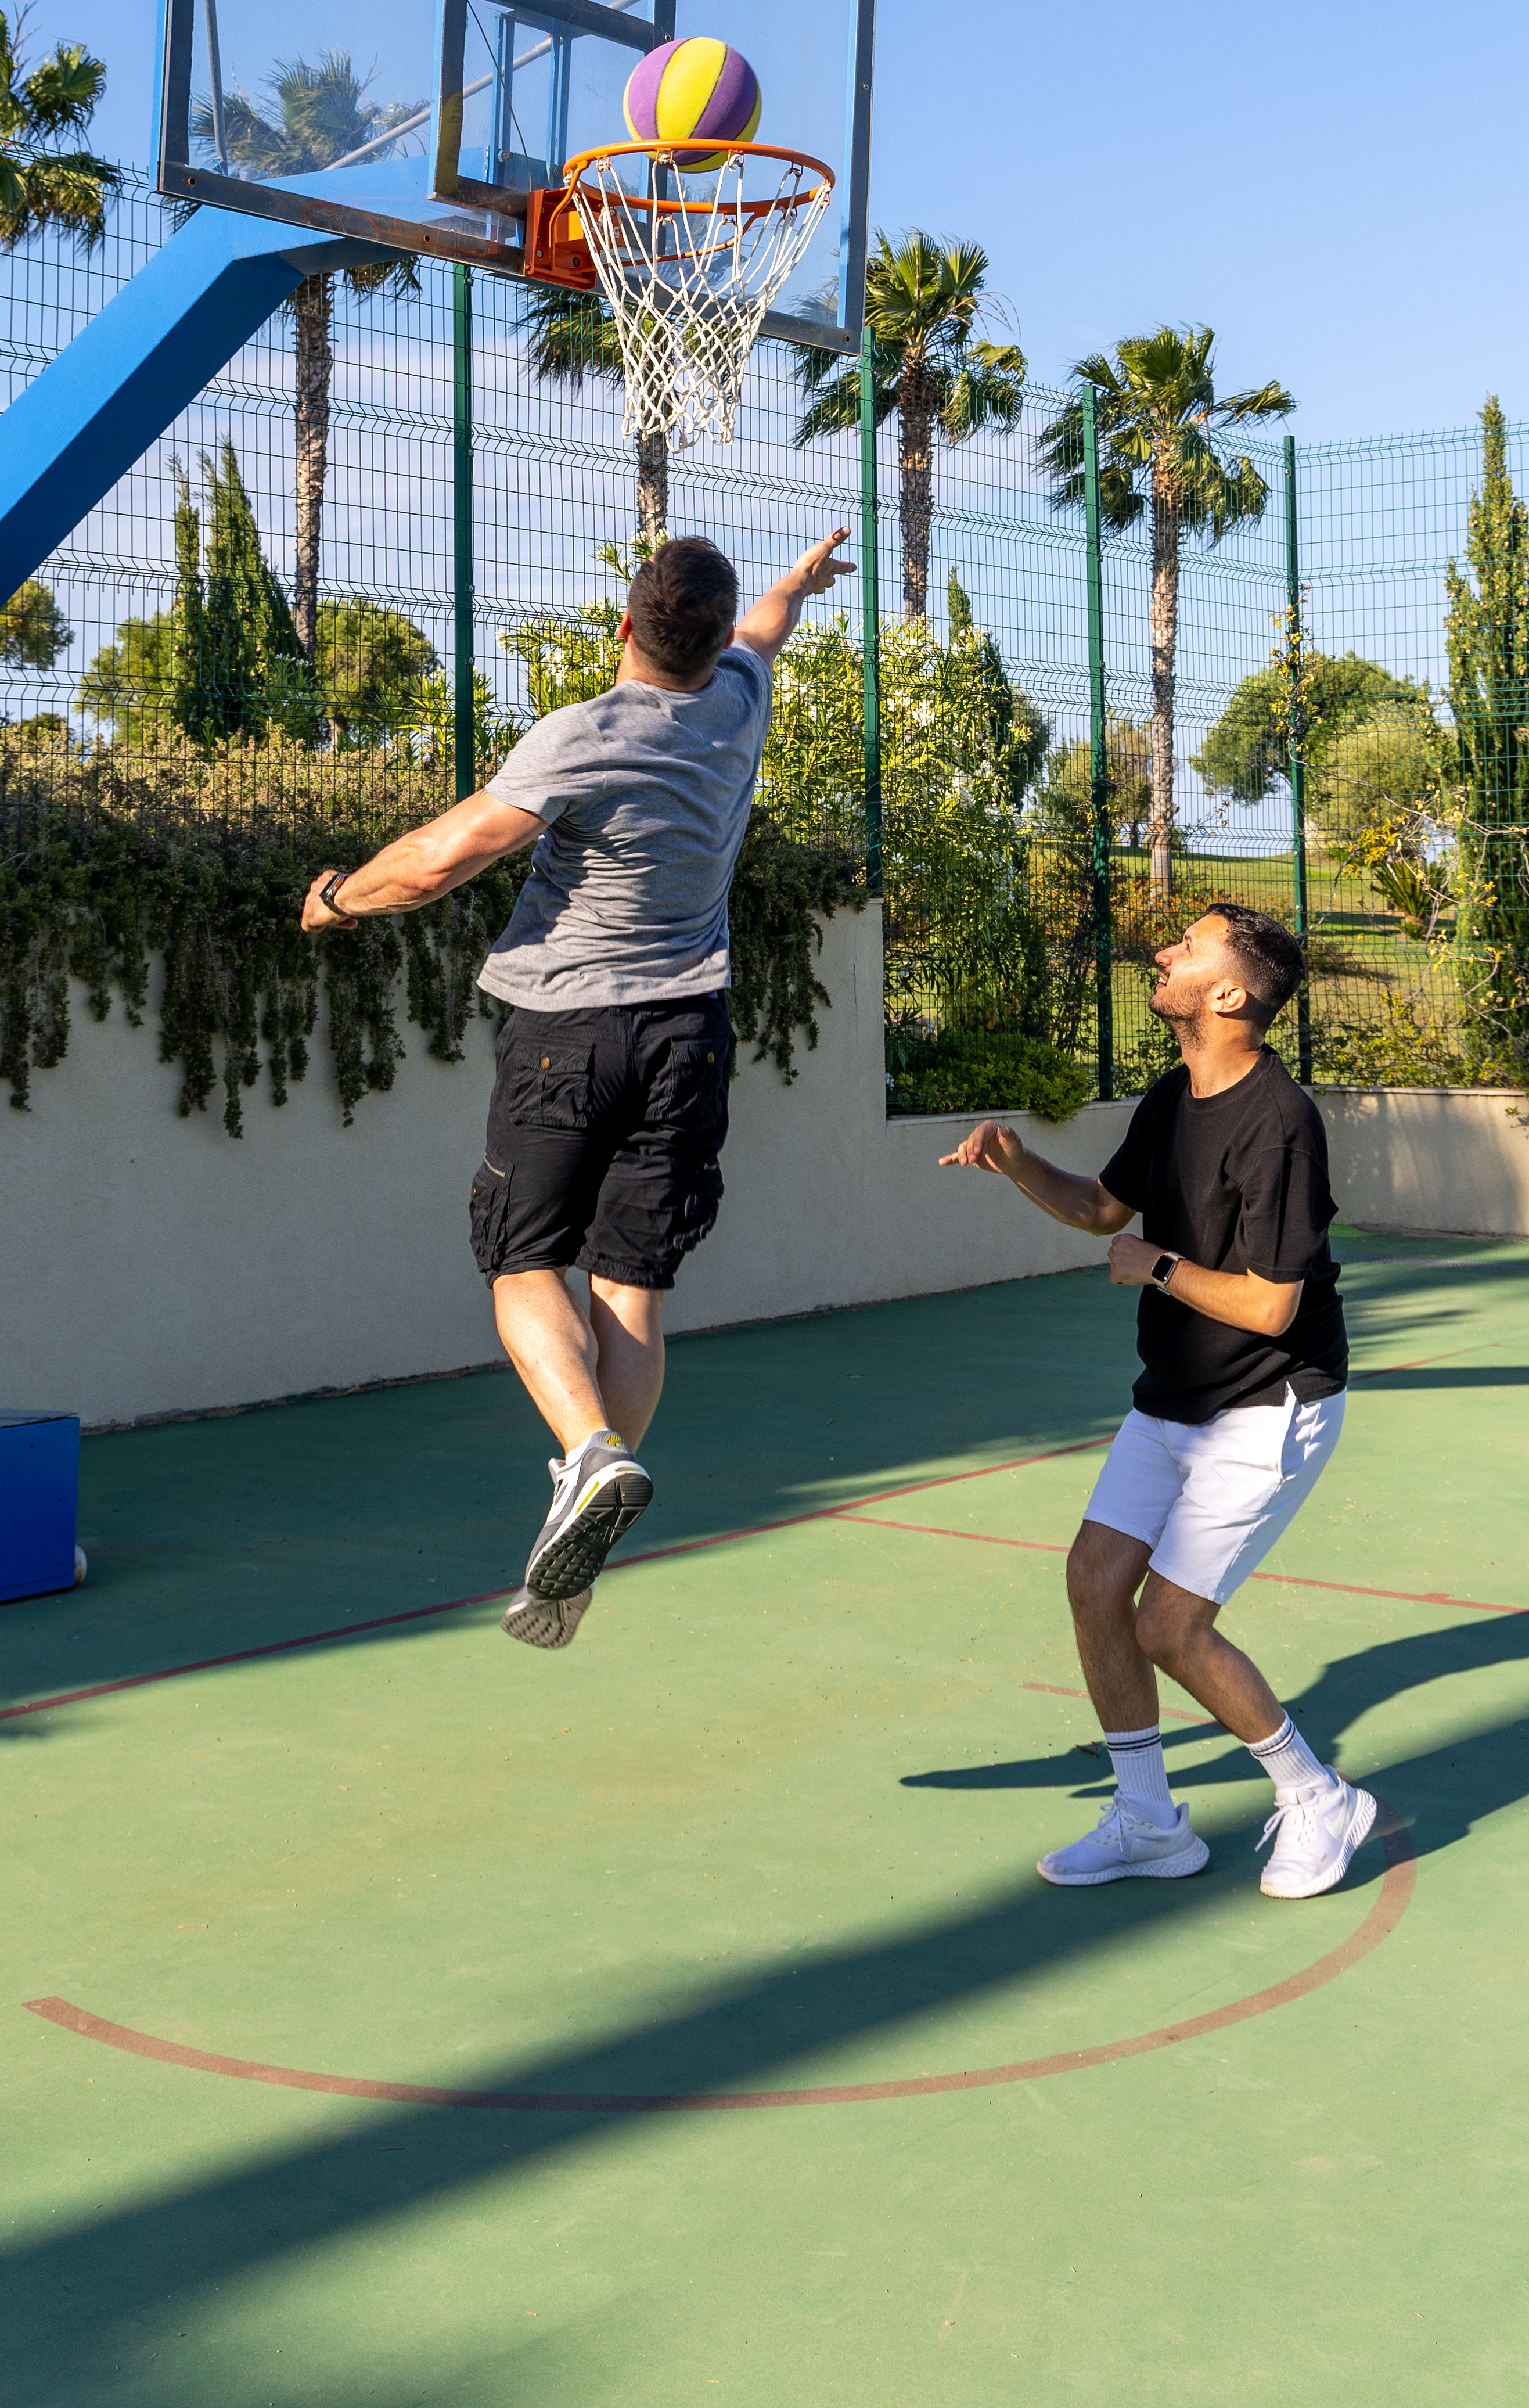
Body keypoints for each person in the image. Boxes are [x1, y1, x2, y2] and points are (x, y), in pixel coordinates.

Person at [303, 528, 851, 1651]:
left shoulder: (584, 737)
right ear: (710, 642)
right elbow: (760, 634)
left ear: (622, 628)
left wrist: (338, 898)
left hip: (572, 1034)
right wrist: (791, 588)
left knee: (520, 1260)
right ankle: (591, 1481)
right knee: (631, 1291)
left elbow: (440, 859)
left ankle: (591, 1457)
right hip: (692, 1036)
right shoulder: (736, 705)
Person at [941, 901, 1375, 1900]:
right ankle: (1148, 1821)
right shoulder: (1174, 1094)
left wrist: (1159, 1267)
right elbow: (1101, 1207)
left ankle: (1317, 1798)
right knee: (1097, 1582)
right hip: (1176, 1395)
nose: (1164, 951)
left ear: (1231, 995)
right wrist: (1018, 1167)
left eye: (1191, 946)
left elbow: (1271, 1306)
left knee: (1170, 1626)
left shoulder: (1280, 1127)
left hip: (1268, 1404)